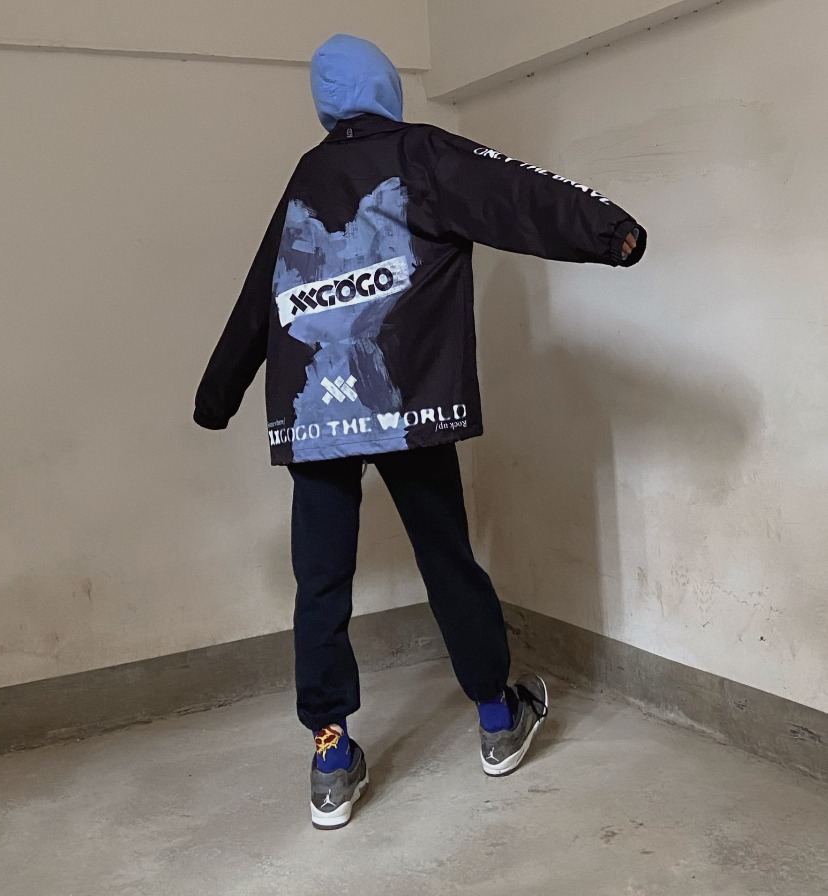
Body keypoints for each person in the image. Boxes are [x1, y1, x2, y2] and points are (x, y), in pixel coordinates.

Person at [194, 33, 646, 830]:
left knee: (321, 581)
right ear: (385, 88)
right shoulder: (421, 154)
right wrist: (609, 231)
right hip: (403, 401)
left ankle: (331, 757)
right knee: (446, 557)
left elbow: (260, 292)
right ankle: (498, 718)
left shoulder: (306, 176)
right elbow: (514, 194)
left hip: (314, 411)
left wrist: (217, 392)